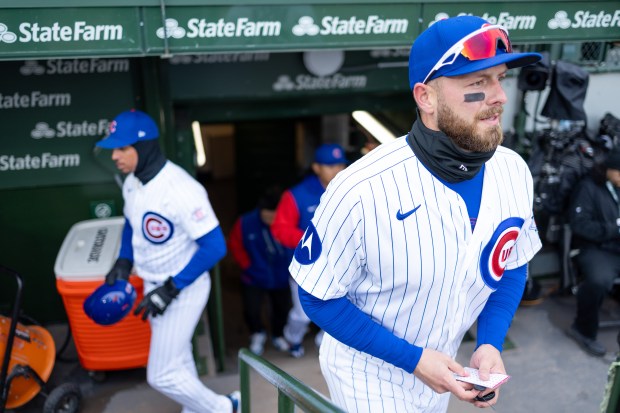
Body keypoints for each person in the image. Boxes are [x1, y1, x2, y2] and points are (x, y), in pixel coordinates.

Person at [288, 15, 542, 412]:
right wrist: (415, 360)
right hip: (367, 374)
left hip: (444, 367)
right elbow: (317, 297)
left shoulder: (514, 171)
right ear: (426, 97)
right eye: (477, 83)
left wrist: (490, 340)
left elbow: (512, 264)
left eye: (500, 78)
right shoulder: (359, 189)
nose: (499, 97)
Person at [96, 109, 240, 413]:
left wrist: (171, 288)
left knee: (161, 374)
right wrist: (124, 260)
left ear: (145, 146)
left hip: (182, 286)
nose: (115, 156)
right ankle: (198, 408)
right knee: (178, 359)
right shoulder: (134, 181)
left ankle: (225, 407)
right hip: (156, 282)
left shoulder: (181, 189)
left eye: (122, 149)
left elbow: (215, 247)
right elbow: (132, 222)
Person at [271, 143, 347, 357]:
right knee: (302, 314)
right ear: (316, 167)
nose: (337, 170)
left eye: (340, 164)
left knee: (338, 309)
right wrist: (313, 241)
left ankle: (324, 341)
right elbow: (280, 229)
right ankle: (292, 338)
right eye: (330, 165)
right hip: (306, 267)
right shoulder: (296, 195)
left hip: (340, 265)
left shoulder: (349, 188)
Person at [567, 148, 620, 357]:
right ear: (609, 169)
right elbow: (579, 225)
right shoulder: (588, 188)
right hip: (596, 248)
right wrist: (613, 228)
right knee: (598, 281)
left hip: (616, 246)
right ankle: (583, 329)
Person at [228, 186, 293, 355]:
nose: (271, 220)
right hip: (253, 276)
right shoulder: (245, 222)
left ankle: (278, 335)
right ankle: (257, 333)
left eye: (274, 216)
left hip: (281, 276)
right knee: (252, 309)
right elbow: (235, 244)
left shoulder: (288, 220)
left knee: (282, 309)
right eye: (267, 215)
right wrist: (247, 265)